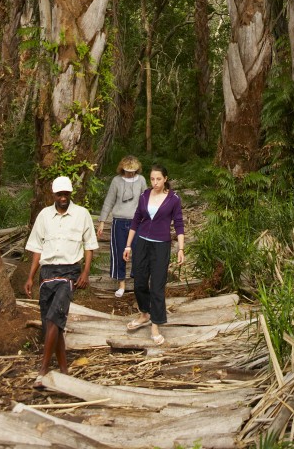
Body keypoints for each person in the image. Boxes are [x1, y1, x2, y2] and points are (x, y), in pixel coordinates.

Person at [24, 175, 98, 386]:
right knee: (50, 322)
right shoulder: (44, 216)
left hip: (69, 273)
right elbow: (37, 248)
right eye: (60, 194)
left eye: (66, 194)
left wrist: (85, 273)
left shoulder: (81, 214)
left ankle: (44, 369)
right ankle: (64, 369)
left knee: (56, 317)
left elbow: (89, 245)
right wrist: (30, 277)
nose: (63, 198)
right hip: (47, 273)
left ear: (70, 194)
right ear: (53, 194)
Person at [124, 164, 185, 345]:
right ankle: (144, 314)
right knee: (140, 282)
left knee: (157, 286)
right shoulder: (144, 195)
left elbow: (179, 225)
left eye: (159, 179)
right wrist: (128, 245)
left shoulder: (173, 199)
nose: (155, 182)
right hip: (142, 243)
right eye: (152, 179)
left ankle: (156, 326)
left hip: (161, 246)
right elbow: (136, 220)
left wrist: (181, 249)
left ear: (165, 179)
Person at [96, 155, 147, 297]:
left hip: (137, 221)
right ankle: (121, 284)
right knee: (119, 253)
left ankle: (138, 282)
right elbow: (109, 201)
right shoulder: (116, 181)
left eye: (133, 171)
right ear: (122, 169)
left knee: (139, 251)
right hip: (119, 221)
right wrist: (102, 221)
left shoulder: (141, 180)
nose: (130, 173)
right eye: (127, 170)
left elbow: (146, 199)